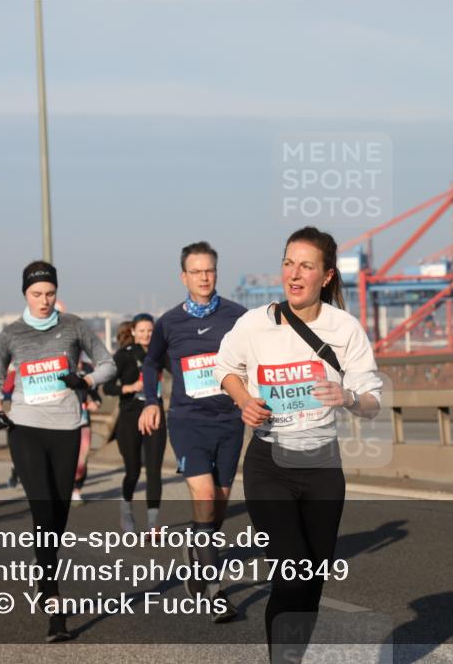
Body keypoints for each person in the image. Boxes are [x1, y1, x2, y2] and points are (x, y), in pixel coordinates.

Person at [214, 226, 382, 663]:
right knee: (290, 573)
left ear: (326, 276)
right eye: (288, 263)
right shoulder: (255, 323)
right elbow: (225, 367)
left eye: (306, 266)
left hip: (323, 467)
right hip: (269, 463)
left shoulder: (344, 328)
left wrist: (347, 396)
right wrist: (244, 400)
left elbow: (372, 402)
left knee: (311, 581)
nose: (293, 274)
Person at [0, 261, 116, 643]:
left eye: (50, 293)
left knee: (58, 514)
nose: (44, 300)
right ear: (25, 294)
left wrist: (85, 379)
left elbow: (107, 364)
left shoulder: (73, 326)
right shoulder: (11, 334)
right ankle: (54, 604)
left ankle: (43, 570)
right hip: (25, 429)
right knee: (43, 511)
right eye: (36, 294)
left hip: (67, 429)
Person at [139, 242, 247, 622]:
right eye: (196, 271)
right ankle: (216, 593)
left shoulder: (238, 316)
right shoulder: (168, 322)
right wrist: (151, 401)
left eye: (209, 270)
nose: (204, 277)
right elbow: (151, 364)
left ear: (216, 273)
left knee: (219, 503)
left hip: (229, 421)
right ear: (183, 277)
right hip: (188, 421)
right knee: (203, 494)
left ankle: (196, 549)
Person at [103, 315, 168, 535]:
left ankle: (152, 524)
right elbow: (107, 387)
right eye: (141, 331)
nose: (146, 335)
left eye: (150, 331)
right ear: (133, 331)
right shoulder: (123, 355)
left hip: (154, 414)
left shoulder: (159, 353)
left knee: (154, 470)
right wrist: (130, 388)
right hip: (130, 416)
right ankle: (126, 511)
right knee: (133, 471)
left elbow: (178, 372)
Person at [71, 360, 102, 506]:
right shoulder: (61, 366)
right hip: (63, 421)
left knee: (81, 460)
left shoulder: (88, 368)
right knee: (63, 458)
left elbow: (95, 394)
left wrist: (96, 403)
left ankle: (77, 490)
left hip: (83, 420)